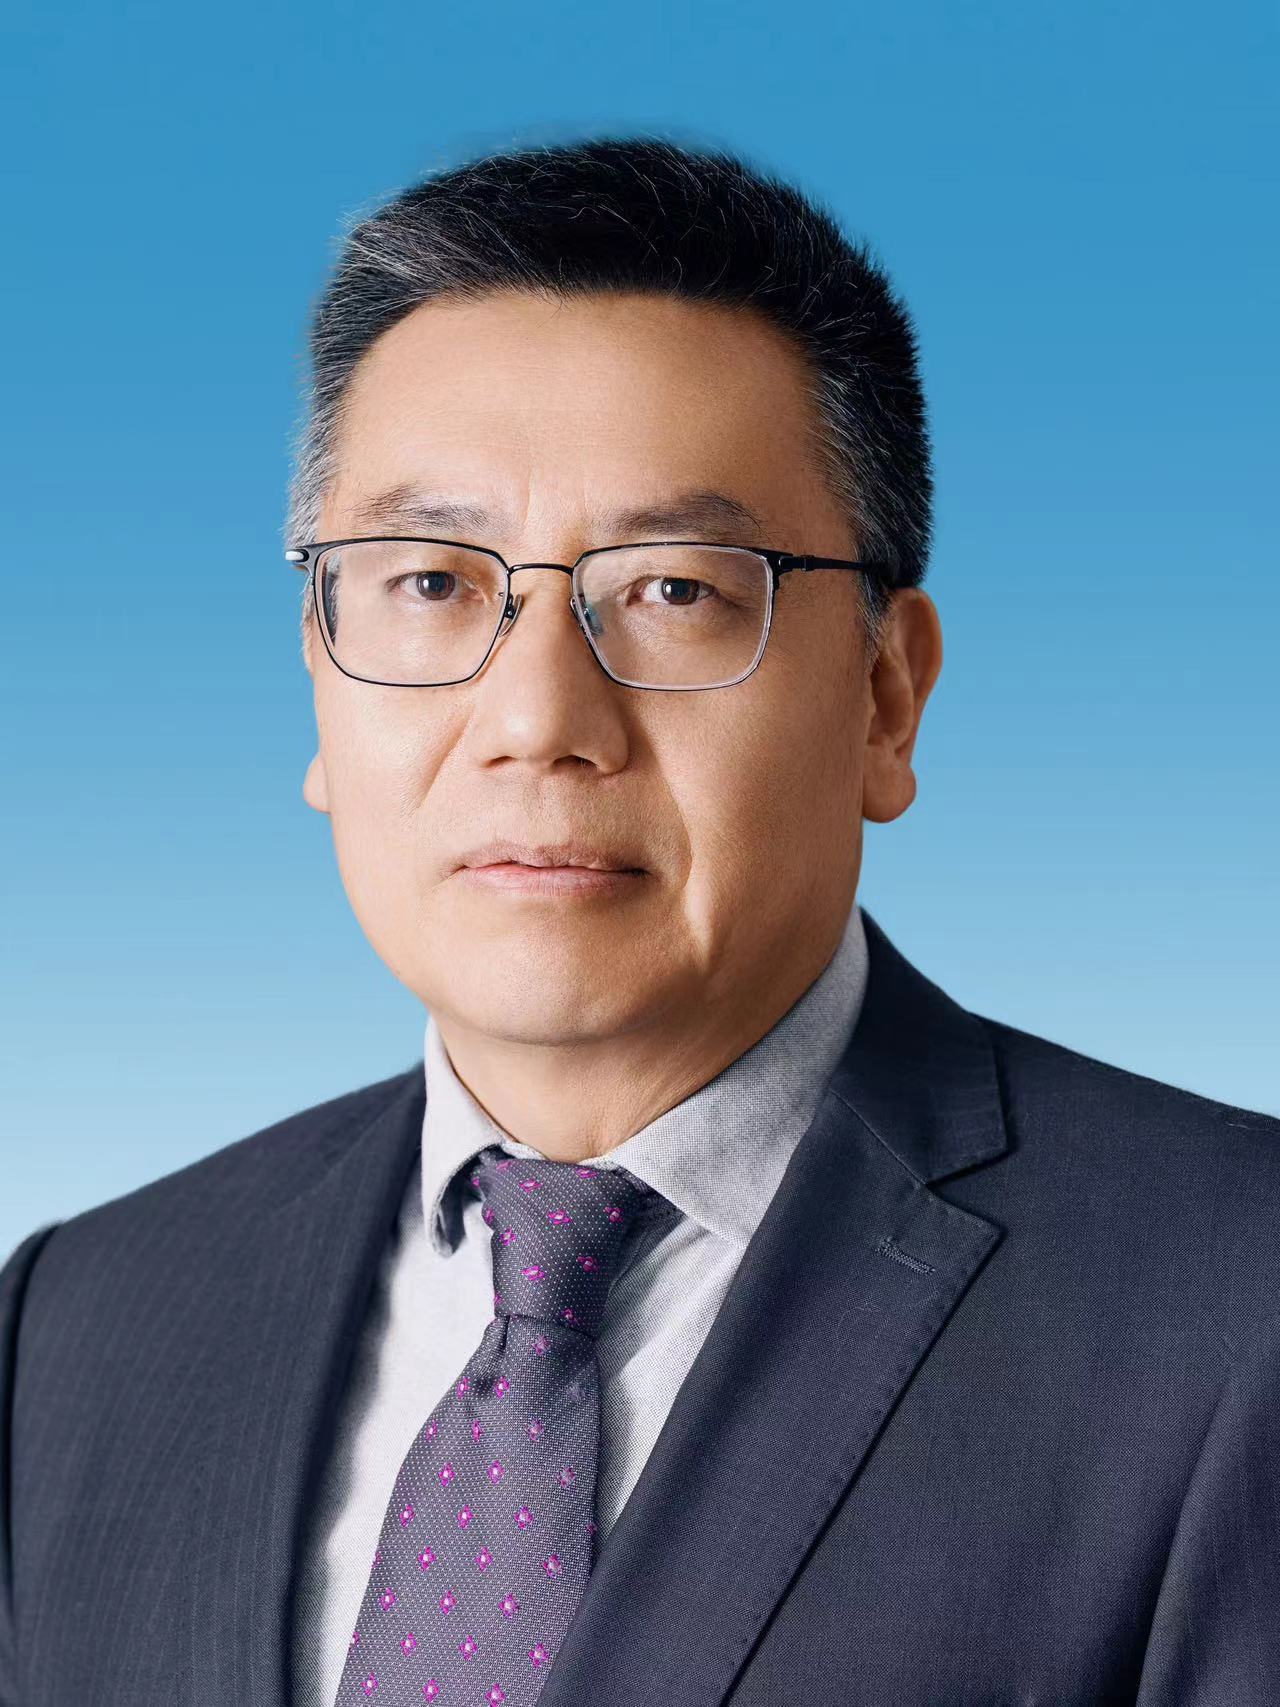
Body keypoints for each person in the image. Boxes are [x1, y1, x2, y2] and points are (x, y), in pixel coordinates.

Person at [2, 137, 1277, 1707]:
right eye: (430, 583)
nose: (539, 720)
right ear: (318, 679)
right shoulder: (79, 1323)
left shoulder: (1235, 1301)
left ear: (888, 697)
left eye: (675, 589)